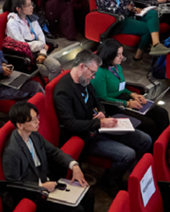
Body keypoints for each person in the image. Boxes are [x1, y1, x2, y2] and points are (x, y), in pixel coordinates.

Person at [53, 51, 152, 192]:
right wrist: (100, 123)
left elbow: (97, 100)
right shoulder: (63, 92)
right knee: (127, 154)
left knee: (145, 140)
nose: (94, 76)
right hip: (85, 136)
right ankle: (111, 183)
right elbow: (71, 124)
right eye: (92, 72)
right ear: (82, 66)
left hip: (99, 126)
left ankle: (130, 175)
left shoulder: (85, 80)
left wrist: (101, 112)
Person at [1, 102, 88, 212]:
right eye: (33, 120)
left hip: (47, 180)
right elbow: (14, 185)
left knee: (87, 195)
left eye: (37, 117)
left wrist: (74, 165)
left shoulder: (33, 134)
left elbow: (54, 151)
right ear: (20, 125)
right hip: (33, 194)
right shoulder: (12, 152)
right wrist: (41, 186)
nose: (38, 122)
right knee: (77, 209)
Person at [92, 39, 170, 138]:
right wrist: (128, 104)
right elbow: (103, 99)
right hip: (112, 106)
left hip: (123, 98)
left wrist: (132, 94)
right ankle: (153, 149)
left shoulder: (116, 66)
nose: (122, 57)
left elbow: (121, 86)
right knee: (149, 124)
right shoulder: (100, 73)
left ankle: (166, 143)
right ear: (109, 56)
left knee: (162, 113)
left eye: (122, 53)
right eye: (118, 55)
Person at [94, 0, 168, 59]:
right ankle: (139, 56)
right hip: (117, 21)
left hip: (129, 13)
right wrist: (127, 9)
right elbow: (111, 10)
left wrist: (133, 7)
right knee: (148, 28)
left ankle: (156, 44)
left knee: (152, 13)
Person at [5, 0, 63, 80]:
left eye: (31, 4)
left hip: (38, 51)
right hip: (26, 56)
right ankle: (49, 91)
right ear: (18, 9)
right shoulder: (12, 23)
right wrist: (42, 45)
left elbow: (41, 35)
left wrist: (42, 52)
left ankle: (51, 89)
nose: (32, 7)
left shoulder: (31, 17)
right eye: (28, 6)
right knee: (54, 69)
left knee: (56, 67)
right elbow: (23, 46)